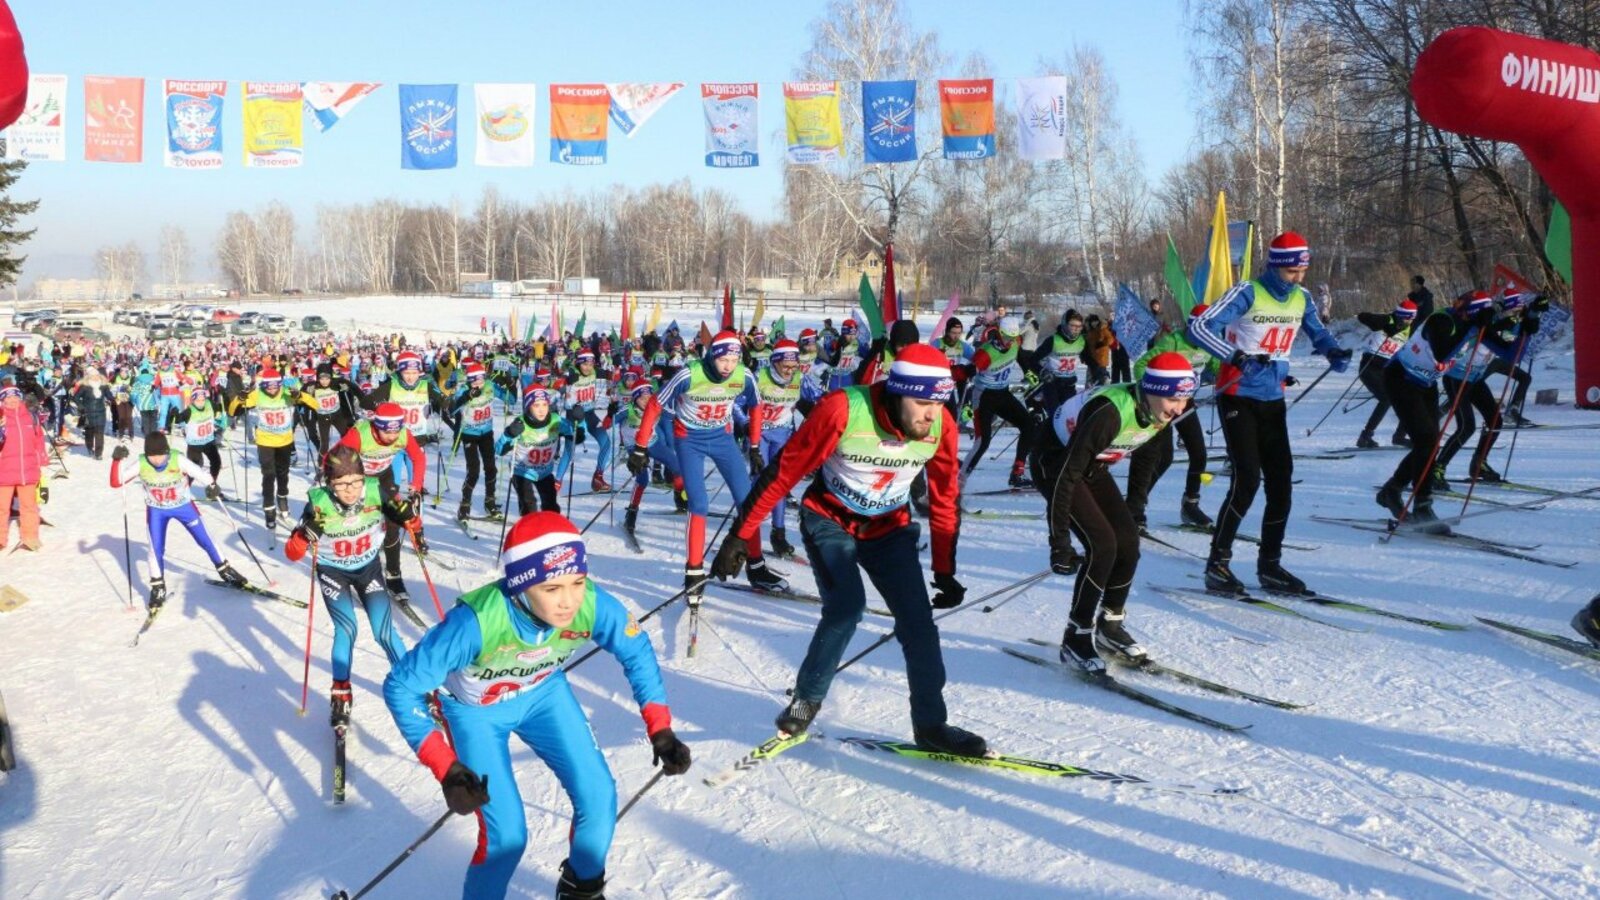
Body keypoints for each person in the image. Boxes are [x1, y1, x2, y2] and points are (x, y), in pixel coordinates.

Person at [382, 512, 691, 900]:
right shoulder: (474, 624)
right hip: (476, 713)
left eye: (577, 581)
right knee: (507, 837)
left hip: (544, 696)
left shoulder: (591, 604)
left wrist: (660, 727)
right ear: (520, 586)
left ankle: (581, 890)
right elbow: (401, 687)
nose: (569, 601)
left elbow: (637, 651)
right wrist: (447, 768)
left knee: (599, 798)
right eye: (551, 588)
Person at [710, 343, 986, 757]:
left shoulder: (940, 427)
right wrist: (740, 536)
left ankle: (931, 725)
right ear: (897, 392)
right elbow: (784, 473)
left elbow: (945, 498)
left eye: (939, 403)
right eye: (922, 403)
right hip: (830, 519)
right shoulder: (843, 409)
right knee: (846, 607)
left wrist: (944, 569)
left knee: (919, 624)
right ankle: (805, 701)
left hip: (888, 528)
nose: (932, 415)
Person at [1188, 232, 1353, 594]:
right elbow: (1198, 327)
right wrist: (1237, 357)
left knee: (1281, 482)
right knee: (1247, 480)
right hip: (1237, 395)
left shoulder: (1302, 297)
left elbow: (1318, 332)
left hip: (1272, 397)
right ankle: (1217, 564)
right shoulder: (1247, 291)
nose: (1298, 277)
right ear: (1276, 266)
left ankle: (1270, 566)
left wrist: (1333, 351)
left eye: (1303, 270)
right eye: (1293, 271)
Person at [1032, 353, 1199, 670]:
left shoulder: (1156, 412)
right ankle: (1077, 635)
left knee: (1128, 542)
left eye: (1185, 399)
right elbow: (1067, 475)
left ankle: (1110, 626)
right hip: (1056, 463)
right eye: (1174, 399)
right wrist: (1060, 543)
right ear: (1152, 390)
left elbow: (1145, 461)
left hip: (1093, 465)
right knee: (1103, 546)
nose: (1180, 408)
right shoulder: (1109, 412)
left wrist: (1134, 510)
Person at [628, 330, 780, 598]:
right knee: (699, 503)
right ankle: (694, 572)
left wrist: (755, 446)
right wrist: (640, 447)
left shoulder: (743, 375)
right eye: (723, 360)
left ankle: (756, 566)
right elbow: (654, 404)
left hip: (722, 437)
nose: (728, 367)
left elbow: (756, 406)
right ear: (712, 357)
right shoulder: (689, 374)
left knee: (748, 501)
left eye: (733, 360)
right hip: (689, 440)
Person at [1377, 289, 1537, 532]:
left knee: (1430, 444)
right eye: (1471, 314)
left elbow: (1511, 355)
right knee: (1426, 441)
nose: (1466, 316)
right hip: (1400, 378)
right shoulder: (1442, 320)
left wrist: (1526, 330)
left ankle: (1392, 491)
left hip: (1426, 383)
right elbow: (1443, 353)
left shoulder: (1473, 325)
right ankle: (1422, 506)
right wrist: (1473, 326)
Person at [285, 445, 421, 727]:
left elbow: (413, 524)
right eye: (341, 483)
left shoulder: (375, 491)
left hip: (368, 568)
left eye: (356, 481)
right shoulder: (318, 504)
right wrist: (304, 535)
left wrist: (408, 516)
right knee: (347, 629)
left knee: (384, 631)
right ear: (329, 482)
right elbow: (292, 553)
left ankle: (413, 683)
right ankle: (341, 691)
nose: (350, 490)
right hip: (333, 571)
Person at [110, 432, 247, 609]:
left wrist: (212, 486)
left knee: (205, 539)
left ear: (167, 452)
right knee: (155, 549)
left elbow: (201, 474)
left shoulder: (178, 459)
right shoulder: (142, 463)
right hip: (157, 510)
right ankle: (158, 588)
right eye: (152, 456)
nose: (157, 460)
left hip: (183, 507)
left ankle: (225, 571)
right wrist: (116, 460)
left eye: (161, 455)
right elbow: (116, 482)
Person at [1123, 306, 1216, 529]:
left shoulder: (1210, 345)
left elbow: (1218, 367)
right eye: (1201, 329)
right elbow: (1142, 365)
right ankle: (1134, 508)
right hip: (1160, 402)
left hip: (1184, 402)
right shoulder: (1172, 342)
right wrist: (1150, 394)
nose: (1205, 334)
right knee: (1160, 457)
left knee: (1199, 454)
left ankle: (1190, 505)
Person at [335, 401, 428, 599]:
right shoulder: (360, 434)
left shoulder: (403, 434)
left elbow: (418, 458)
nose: (392, 437)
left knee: (393, 523)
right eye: (387, 432)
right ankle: (356, 573)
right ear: (377, 427)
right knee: (358, 526)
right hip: (359, 479)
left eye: (396, 431)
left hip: (384, 477)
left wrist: (416, 485)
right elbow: (334, 457)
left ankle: (394, 576)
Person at [751, 339, 823, 557]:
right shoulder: (759, 377)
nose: (790, 371)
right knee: (759, 480)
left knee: (779, 483)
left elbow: (821, 399)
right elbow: (737, 403)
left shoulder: (800, 378)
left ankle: (778, 534)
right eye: (786, 366)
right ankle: (747, 530)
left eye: (794, 366)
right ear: (775, 362)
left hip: (781, 434)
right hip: (759, 434)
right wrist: (745, 426)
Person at [960, 316, 1036, 488]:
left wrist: (1029, 373)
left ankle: (1017, 473)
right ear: (1000, 333)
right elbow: (969, 374)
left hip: (1002, 393)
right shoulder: (986, 352)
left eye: (1013, 337)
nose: (1010, 341)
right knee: (983, 442)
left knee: (1028, 425)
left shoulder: (1015, 342)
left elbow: (1020, 358)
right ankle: (959, 480)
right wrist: (966, 403)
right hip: (984, 397)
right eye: (1007, 337)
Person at [228, 366, 297, 530]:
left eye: (275, 386)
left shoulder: (287, 393)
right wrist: (239, 398)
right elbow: (232, 411)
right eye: (268, 386)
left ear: (279, 384)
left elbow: (314, 404)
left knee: (283, 474)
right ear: (263, 385)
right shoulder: (257, 394)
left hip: (284, 441)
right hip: (265, 441)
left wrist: (300, 395)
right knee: (268, 475)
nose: (272, 389)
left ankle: (282, 500)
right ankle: (269, 509)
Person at [496, 386, 575, 517]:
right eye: (536, 405)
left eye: (545, 404)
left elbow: (575, 432)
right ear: (528, 407)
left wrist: (579, 420)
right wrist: (509, 433)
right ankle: (529, 525)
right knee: (529, 505)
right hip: (521, 471)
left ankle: (551, 527)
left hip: (545, 472)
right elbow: (499, 450)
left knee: (551, 506)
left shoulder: (556, 421)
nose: (541, 409)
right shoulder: (521, 424)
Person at [1354, 300, 1417, 448]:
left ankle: (1400, 436)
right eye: (1409, 318)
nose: (1410, 321)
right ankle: (1365, 437)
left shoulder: (1410, 328)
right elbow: (1362, 316)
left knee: (1408, 399)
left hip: (1388, 370)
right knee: (1386, 399)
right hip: (1370, 367)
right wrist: (1385, 325)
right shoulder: (1387, 319)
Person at [447, 360, 505, 522]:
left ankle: (490, 502)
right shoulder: (463, 390)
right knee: (474, 471)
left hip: (486, 433)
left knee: (491, 468)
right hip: (469, 435)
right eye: (475, 380)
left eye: (481, 378)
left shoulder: (489, 386)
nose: (479, 383)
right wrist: (466, 396)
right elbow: (451, 410)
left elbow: (512, 398)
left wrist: (510, 384)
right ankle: (464, 506)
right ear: (469, 380)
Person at [0, 381, 47, 552]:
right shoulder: (1, 418)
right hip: (4, 470)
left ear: (20, 398)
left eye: (15, 397)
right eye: (8, 398)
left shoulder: (30, 416)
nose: (12, 401)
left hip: (28, 469)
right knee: (1, 508)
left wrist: (41, 458)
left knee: (29, 506)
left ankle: (30, 537)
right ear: (2, 401)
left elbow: (39, 440)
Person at [172, 386, 227, 495]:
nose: (201, 402)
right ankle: (182, 490)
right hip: (194, 445)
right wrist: (174, 414)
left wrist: (222, 396)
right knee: (194, 469)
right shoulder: (189, 411)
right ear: (193, 400)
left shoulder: (209, 404)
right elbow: (178, 419)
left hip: (209, 442)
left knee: (216, 463)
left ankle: (212, 486)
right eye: (198, 400)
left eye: (203, 399)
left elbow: (219, 408)